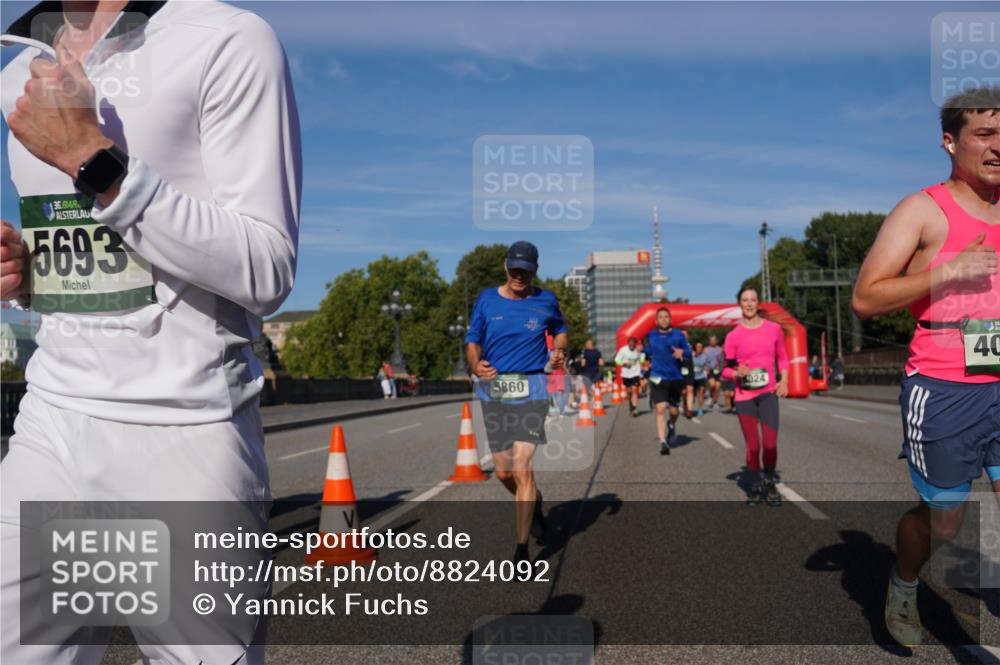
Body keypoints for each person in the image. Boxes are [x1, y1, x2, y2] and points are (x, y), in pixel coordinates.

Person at [0, 2, 301, 663]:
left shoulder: (226, 38)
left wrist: (91, 157)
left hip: (185, 435)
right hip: (51, 421)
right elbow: (91, 254)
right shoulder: (19, 67)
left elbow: (267, 267)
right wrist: (25, 275)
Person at [851, 86, 999, 648]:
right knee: (946, 520)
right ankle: (905, 582)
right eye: (984, 134)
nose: (997, 146)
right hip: (944, 387)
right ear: (950, 141)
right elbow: (866, 298)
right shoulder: (922, 209)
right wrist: (948, 272)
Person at [465, 241, 568, 565]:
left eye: (526, 270)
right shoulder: (486, 299)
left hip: (533, 387)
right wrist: (474, 364)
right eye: (515, 268)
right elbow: (472, 341)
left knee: (522, 468)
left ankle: (522, 550)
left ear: (535, 270)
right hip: (494, 390)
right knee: (503, 473)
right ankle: (533, 501)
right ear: (505, 265)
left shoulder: (545, 300)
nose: (520, 275)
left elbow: (561, 329)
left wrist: (560, 349)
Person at [721, 286, 789, 507]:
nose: (749, 303)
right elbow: (725, 369)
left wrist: (784, 380)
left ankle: (769, 482)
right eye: (745, 300)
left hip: (768, 393)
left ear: (758, 303)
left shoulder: (774, 329)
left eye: (753, 300)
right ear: (739, 304)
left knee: (770, 444)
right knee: (753, 447)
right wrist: (736, 372)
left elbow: (783, 358)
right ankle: (755, 483)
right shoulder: (733, 336)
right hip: (744, 397)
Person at [645, 306, 692, 454]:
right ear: (656, 320)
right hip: (658, 376)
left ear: (670, 319)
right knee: (660, 408)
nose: (664, 319)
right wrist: (642, 350)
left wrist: (682, 352)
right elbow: (650, 350)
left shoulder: (678, 335)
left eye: (666, 317)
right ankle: (663, 441)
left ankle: (671, 425)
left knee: (673, 411)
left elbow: (689, 352)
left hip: (675, 377)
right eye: (661, 317)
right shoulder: (651, 335)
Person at [615, 336, 644, 417]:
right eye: (630, 344)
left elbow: (642, 361)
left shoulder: (638, 350)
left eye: (633, 344)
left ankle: (634, 408)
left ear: (635, 344)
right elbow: (616, 360)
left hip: (635, 373)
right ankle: (630, 403)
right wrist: (624, 364)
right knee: (629, 391)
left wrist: (641, 354)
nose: (631, 345)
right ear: (628, 344)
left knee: (635, 389)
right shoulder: (623, 350)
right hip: (626, 374)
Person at [703, 334, 724, 410]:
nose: (712, 342)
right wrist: (705, 367)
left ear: (716, 341)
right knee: (712, 385)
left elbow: (722, 360)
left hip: (718, 370)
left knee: (717, 387)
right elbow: (703, 360)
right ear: (709, 341)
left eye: (714, 340)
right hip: (710, 370)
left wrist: (721, 367)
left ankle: (715, 402)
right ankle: (710, 397)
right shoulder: (706, 349)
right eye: (711, 340)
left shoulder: (720, 349)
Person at [681, 329, 696, 418]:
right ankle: (684, 402)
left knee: (690, 389)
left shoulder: (690, 345)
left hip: (690, 369)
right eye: (682, 335)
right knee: (683, 392)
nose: (684, 336)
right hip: (680, 370)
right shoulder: (675, 345)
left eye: (685, 335)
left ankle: (689, 411)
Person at [692, 341, 708, 417]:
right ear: (695, 347)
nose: (699, 348)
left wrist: (707, 370)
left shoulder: (704, 355)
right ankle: (689, 407)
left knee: (701, 393)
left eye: (700, 347)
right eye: (697, 346)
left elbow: (704, 364)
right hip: (692, 377)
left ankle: (700, 409)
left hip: (701, 376)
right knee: (692, 394)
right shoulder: (691, 354)